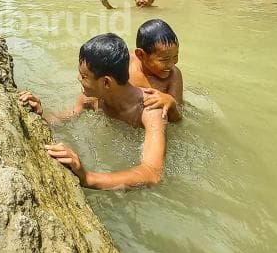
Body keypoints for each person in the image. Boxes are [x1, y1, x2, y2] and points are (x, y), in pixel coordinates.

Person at [19, 33, 167, 190]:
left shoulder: (151, 109)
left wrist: (88, 177)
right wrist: (38, 115)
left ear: (106, 82)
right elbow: (67, 117)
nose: (78, 78)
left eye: (84, 76)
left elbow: (152, 173)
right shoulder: (92, 97)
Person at [130, 19, 183, 122]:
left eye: (175, 56)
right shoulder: (126, 64)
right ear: (141, 55)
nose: (172, 64)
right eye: (164, 59)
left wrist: (170, 102)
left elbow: (178, 118)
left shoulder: (174, 75)